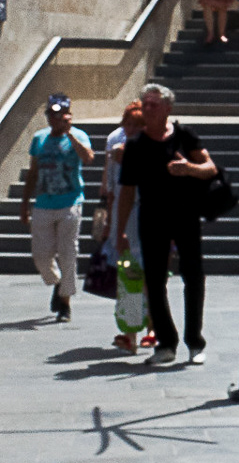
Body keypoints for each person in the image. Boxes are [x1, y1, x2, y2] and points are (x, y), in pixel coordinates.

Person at [115, 84, 217, 366]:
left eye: (154, 105)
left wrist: (189, 169)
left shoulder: (184, 136)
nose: (148, 109)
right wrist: (119, 229)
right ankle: (166, 343)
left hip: (186, 216)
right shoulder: (135, 145)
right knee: (154, 280)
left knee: (193, 276)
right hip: (152, 219)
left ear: (167, 108)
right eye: (145, 104)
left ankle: (195, 342)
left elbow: (210, 168)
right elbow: (127, 191)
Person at [21, 94, 93, 324]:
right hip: (44, 202)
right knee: (41, 255)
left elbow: (88, 158)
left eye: (59, 114)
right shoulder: (39, 138)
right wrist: (25, 203)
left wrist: (70, 134)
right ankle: (58, 282)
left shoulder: (78, 136)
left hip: (70, 202)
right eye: (51, 115)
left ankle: (65, 303)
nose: (54, 119)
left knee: (68, 252)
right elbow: (33, 172)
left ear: (67, 114)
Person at [103, 100, 154, 353]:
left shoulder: (153, 148)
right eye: (128, 124)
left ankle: (153, 327)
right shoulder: (116, 148)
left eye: (137, 125)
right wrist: (111, 224)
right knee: (130, 276)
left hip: (149, 217)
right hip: (125, 219)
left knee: (151, 277)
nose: (132, 129)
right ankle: (131, 333)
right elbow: (112, 189)